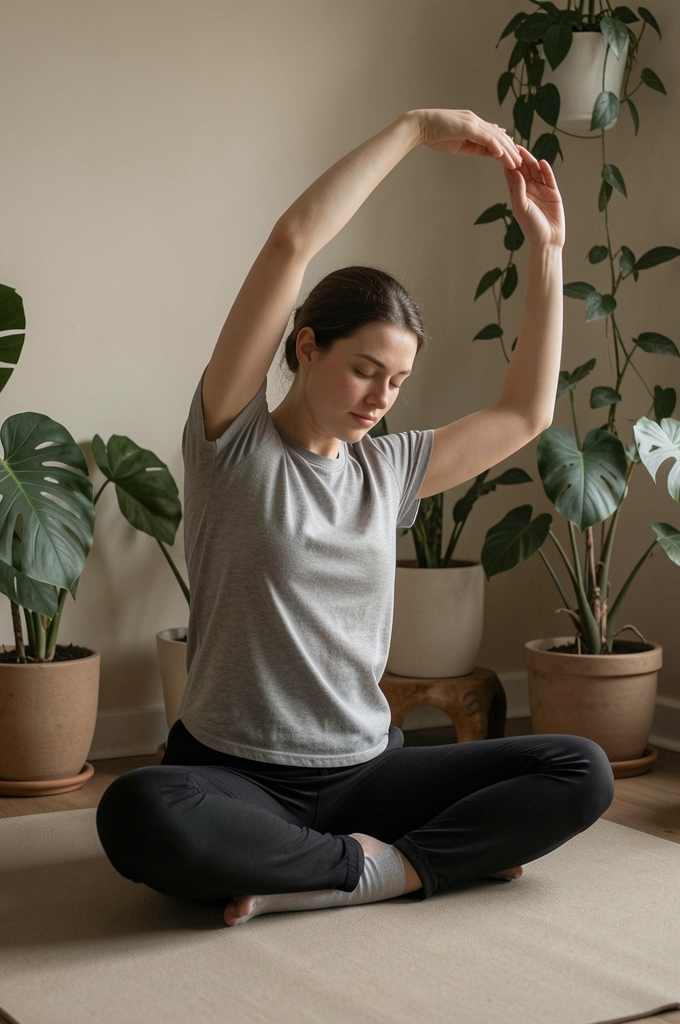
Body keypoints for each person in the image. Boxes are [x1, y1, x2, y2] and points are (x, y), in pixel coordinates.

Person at [97, 109, 614, 927]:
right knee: (138, 813)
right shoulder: (232, 443)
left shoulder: (388, 468)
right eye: (365, 370)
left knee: (581, 770)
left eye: (397, 381)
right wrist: (412, 130)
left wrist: (546, 249)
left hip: (365, 773)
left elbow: (526, 414)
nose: (381, 398)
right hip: (236, 773)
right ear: (307, 347)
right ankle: (378, 862)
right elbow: (291, 243)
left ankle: (361, 871)